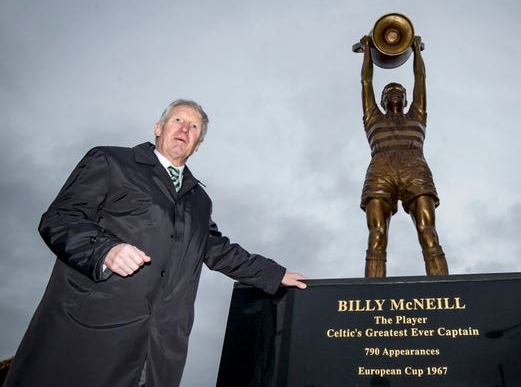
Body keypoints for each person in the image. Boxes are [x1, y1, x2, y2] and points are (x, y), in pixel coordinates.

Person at [3, 99, 307, 387]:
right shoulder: (111, 160)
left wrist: (275, 274)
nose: (185, 129)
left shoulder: (199, 200)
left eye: (194, 127)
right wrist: (105, 249)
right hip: (90, 328)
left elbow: (218, 250)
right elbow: (60, 218)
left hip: (160, 344)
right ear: (158, 128)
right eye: (178, 120)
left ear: (198, 145)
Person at [360, 35, 449, 278]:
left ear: (408, 99)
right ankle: (372, 295)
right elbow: (366, 81)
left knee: (427, 229)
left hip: (415, 167)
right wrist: (368, 48)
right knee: (377, 234)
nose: (395, 92)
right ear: (382, 99)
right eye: (389, 90)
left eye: (399, 90)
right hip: (381, 168)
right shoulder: (373, 118)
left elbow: (420, 78)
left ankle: (444, 288)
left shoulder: (417, 115)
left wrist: (416, 50)